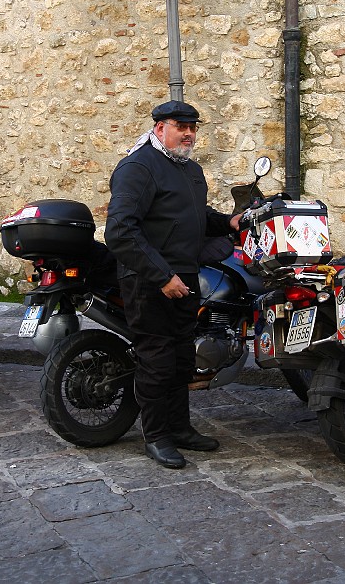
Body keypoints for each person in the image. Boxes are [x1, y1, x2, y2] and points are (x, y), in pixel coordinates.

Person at [104, 100, 242, 469]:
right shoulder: (138, 167)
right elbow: (120, 231)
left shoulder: (190, 170)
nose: (188, 133)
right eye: (181, 126)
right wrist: (162, 276)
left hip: (186, 277)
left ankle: (180, 428)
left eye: (193, 127)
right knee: (157, 361)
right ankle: (157, 436)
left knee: (183, 360)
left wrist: (229, 222)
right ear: (159, 127)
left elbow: (197, 217)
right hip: (149, 281)